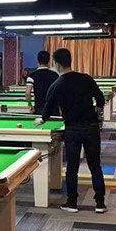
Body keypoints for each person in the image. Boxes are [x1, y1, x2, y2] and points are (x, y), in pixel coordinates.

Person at [37, 48, 107, 214]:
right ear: (70, 60)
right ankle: (100, 203)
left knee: (72, 167)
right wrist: (98, 113)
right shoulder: (86, 78)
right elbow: (100, 99)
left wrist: (41, 119)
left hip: (72, 129)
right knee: (95, 165)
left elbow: (48, 107)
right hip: (91, 127)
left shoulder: (57, 84)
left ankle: (72, 202)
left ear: (57, 64)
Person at [26, 50, 59, 115]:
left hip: (39, 109)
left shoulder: (32, 75)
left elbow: (27, 93)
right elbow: (59, 93)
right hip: (53, 109)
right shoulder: (55, 75)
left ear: (37, 61)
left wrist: (30, 105)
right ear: (49, 62)